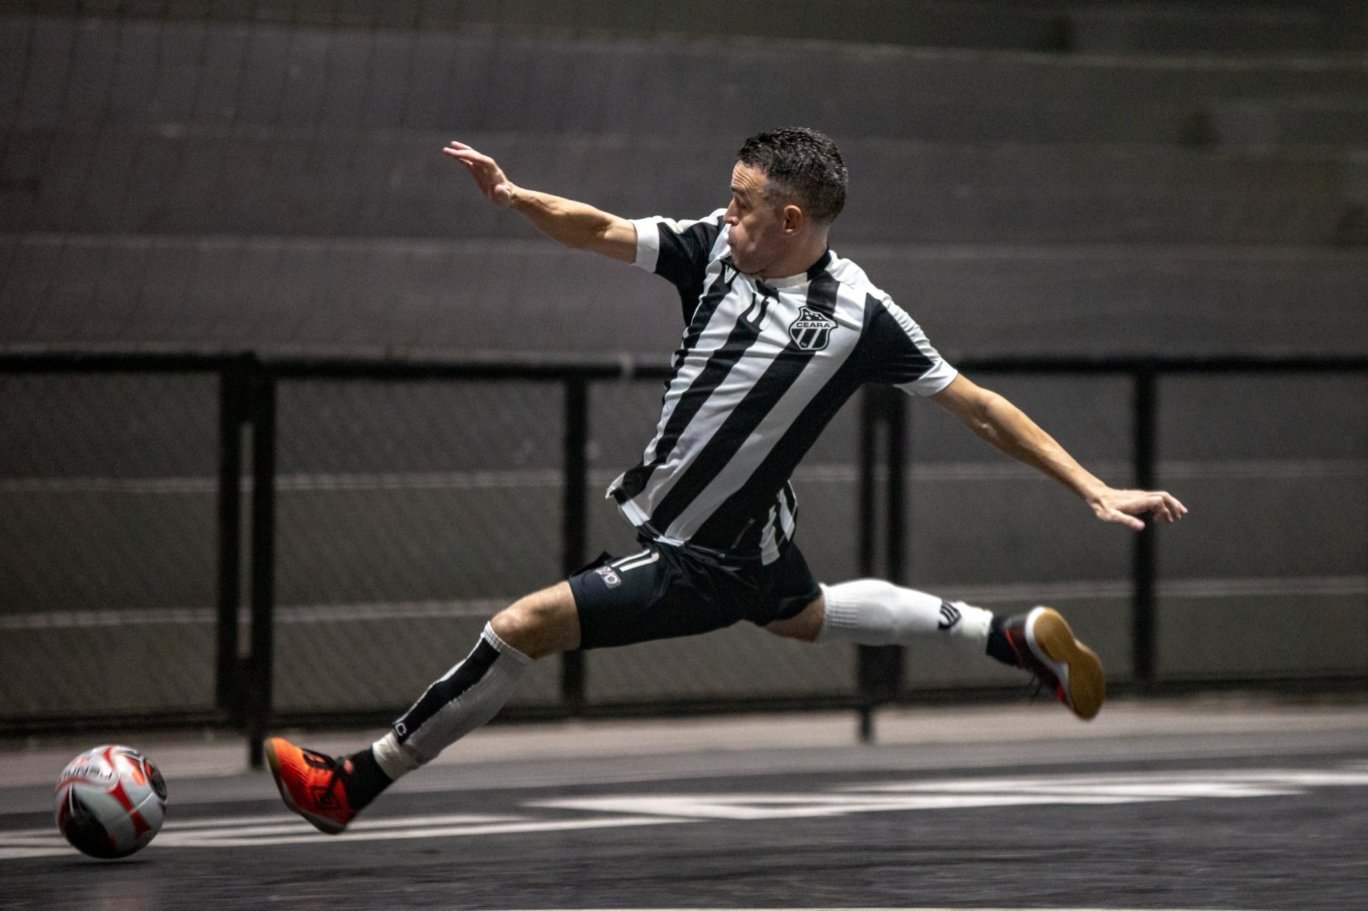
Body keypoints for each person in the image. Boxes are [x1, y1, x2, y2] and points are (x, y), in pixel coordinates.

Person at [266, 127, 1187, 834]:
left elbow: (979, 406)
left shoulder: (861, 315)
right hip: (757, 530)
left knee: (521, 627)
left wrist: (1093, 487)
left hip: (704, 552)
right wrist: (514, 198)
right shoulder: (712, 247)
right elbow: (603, 230)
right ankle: (1010, 639)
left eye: (744, 204)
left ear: (793, 220)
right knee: (805, 615)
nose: (727, 213)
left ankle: (355, 782)